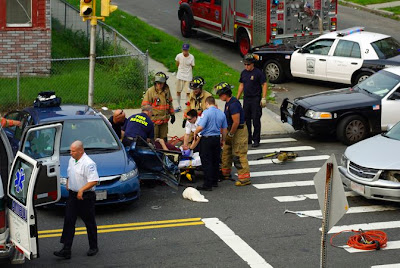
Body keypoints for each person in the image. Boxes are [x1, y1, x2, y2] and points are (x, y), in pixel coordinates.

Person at [54, 140, 99, 259]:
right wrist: (69, 182)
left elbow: (94, 180)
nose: (71, 153)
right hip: (73, 196)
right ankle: (66, 249)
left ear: (81, 151)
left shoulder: (88, 163)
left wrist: (81, 190)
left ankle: (93, 246)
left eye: (73, 151)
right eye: (70, 150)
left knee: (89, 222)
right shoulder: (72, 160)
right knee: (69, 221)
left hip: (85, 197)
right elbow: (70, 172)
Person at [216, 82, 251, 186]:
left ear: (225, 93)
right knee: (226, 151)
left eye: (220, 94)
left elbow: (236, 121)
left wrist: (230, 135)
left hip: (238, 131)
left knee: (239, 154)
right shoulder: (228, 102)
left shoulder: (234, 104)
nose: (219, 96)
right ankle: (225, 173)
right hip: (231, 130)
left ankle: (244, 178)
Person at [193, 96, 227, 191]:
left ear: (207, 103)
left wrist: (195, 132)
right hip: (216, 138)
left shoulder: (206, 113)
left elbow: (201, 127)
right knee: (215, 160)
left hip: (207, 139)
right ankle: (214, 181)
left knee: (206, 160)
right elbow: (224, 129)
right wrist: (223, 140)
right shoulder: (221, 113)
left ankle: (207, 184)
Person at [237, 53, 268, 148]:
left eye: (248, 64)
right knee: (246, 120)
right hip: (246, 98)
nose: (246, 66)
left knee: (255, 119)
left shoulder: (258, 73)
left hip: (255, 99)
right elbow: (241, 85)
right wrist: (237, 98)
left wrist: (263, 97)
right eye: (245, 64)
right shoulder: (243, 73)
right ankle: (249, 138)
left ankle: (256, 139)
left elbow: (264, 84)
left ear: (252, 64)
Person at [142, 71, 176, 140]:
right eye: (158, 83)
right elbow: (145, 106)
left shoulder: (167, 90)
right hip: (154, 121)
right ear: (155, 82)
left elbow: (169, 103)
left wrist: (172, 114)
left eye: (161, 83)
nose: (159, 85)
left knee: (163, 138)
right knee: (153, 139)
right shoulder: (150, 91)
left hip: (164, 121)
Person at [175, 43, 195, 112]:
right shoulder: (178, 56)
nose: (185, 52)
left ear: (188, 50)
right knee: (178, 91)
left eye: (186, 50)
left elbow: (192, 66)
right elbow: (177, 64)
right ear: (182, 50)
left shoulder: (191, 57)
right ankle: (178, 106)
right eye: (184, 50)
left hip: (188, 76)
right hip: (180, 75)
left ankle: (187, 106)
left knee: (188, 92)